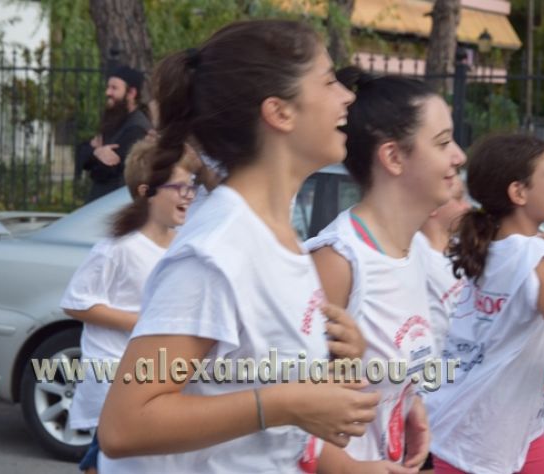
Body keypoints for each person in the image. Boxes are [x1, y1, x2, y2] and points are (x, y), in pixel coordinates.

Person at [97, 19, 388, 473]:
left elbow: (248, 390)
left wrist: (331, 360)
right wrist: (286, 403)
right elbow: (124, 426)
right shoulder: (217, 252)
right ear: (279, 112)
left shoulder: (278, 234)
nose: (347, 96)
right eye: (329, 80)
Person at [307, 67, 466, 471]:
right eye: (443, 142)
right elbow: (283, 410)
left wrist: (410, 403)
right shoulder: (339, 260)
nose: (459, 156)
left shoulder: (412, 251)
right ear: (394, 157)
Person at [426, 134, 544, 474]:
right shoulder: (531, 254)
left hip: (496, 432)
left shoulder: (490, 247)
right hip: (480, 444)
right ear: (518, 193)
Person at [61, 138, 199, 474]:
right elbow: (75, 302)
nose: (188, 195)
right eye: (178, 187)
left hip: (155, 377)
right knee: (111, 454)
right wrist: (139, 322)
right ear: (145, 192)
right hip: (112, 376)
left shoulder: (184, 246)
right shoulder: (119, 247)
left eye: (191, 186)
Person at [413, 172, 471, 358]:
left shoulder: (465, 251)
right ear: (432, 207)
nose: (468, 207)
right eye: (459, 198)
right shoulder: (416, 258)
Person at [78, 64, 152, 203]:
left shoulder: (137, 128)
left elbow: (103, 171)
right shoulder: (115, 119)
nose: (108, 92)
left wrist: (93, 153)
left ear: (131, 93)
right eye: (108, 87)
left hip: (115, 206)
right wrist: (97, 152)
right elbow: (81, 154)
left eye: (114, 88)